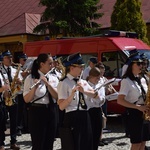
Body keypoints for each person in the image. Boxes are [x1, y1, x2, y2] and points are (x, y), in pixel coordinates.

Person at [57, 53, 97, 150]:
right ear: (72, 68)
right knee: (73, 145)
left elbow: (95, 95)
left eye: (83, 67)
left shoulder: (82, 81)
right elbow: (61, 106)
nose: (82, 69)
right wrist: (71, 95)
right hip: (72, 116)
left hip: (85, 115)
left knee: (86, 144)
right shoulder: (64, 82)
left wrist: (84, 91)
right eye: (80, 67)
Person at [23, 53, 59, 150]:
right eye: (50, 63)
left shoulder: (54, 78)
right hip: (37, 111)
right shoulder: (30, 78)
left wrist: (48, 84)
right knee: (38, 142)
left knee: (50, 141)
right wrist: (34, 88)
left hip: (51, 110)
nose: (52, 66)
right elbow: (26, 99)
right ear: (42, 64)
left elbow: (57, 96)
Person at [117, 54, 150, 150]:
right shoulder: (126, 81)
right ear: (131, 65)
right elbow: (120, 100)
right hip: (134, 113)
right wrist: (138, 107)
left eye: (142, 64)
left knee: (144, 141)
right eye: (139, 64)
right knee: (136, 143)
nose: (141, 66)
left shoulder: (143, 79)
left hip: (145, 111)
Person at [1, 50, 22, 150]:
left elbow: (20, 87)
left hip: (13, 97)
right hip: (3, 98)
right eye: (7, 57)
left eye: (10, 57)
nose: (10, 59)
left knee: (14, 121)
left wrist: (19, 83)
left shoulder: (14, 70)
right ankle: (1, 142)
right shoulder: (0, 70)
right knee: (2, 121)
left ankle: (13, 142)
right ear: (3, 59)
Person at [86, 67, 105, 150]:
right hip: (88, 111)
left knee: (97, 134)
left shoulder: (100, 85)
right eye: (97, 78)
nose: (98, 80)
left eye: (99, 78)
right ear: (91, 76)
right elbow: (87, 101)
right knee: (89, 136)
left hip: (97, 110)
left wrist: (96, 98)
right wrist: (96, 97)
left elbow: (102, 99)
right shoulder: (85, 85)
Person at [16, 53, 29, 135]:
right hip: (20, 93)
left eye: (26, 60)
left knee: (27, 111)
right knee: (19, 111)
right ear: (20, 60)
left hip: (27, 92)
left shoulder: (29, 69)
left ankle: (26, 126)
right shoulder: (17, 69)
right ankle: (19, 127)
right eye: (23, 60)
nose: (25, 61)